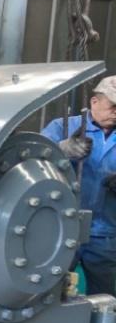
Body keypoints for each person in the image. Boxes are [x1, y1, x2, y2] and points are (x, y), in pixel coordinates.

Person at [43, 75, 116, 296]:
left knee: (104, 298)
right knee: (49, 291)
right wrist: (61, 150)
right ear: (94, 101)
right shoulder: (63, 127)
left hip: (105, 233)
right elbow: (32, 158)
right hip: (62, 225)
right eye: (113, 106)